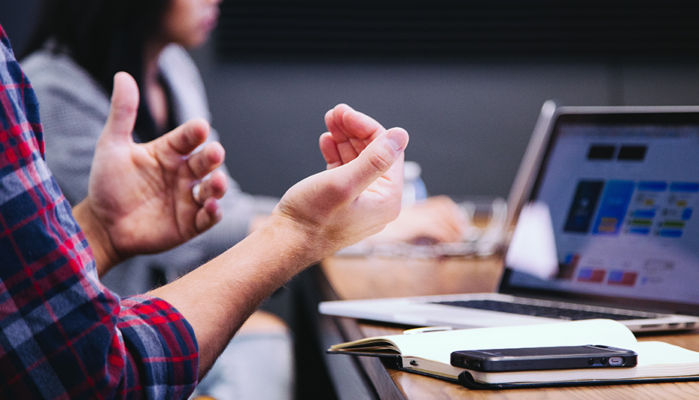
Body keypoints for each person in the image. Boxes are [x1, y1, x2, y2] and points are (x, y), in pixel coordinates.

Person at [0, 22, 409, 398]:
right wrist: (304, 230)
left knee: (268, 347)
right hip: (127, 344)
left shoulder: (173, 67)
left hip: (143, 327)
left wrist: (102, 231)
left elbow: (221, 206)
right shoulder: (51, 86)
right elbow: (92, 376)